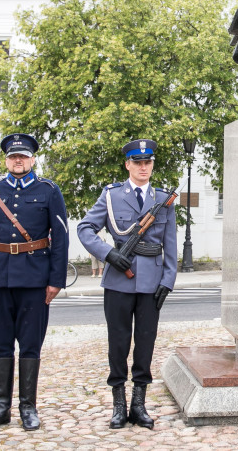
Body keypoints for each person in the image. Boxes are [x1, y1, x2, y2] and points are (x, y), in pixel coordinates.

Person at [0, 133, 68, 431]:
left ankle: (28, 407)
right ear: (6, 160)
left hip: (35, 280)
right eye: (13, 157)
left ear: (32, 159)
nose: (18, 160)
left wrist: (56, 280)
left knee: (30, 345)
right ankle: (0, 408)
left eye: (23, 156)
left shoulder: (48, 191)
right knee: (0, 344)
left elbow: (60, 239)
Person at [78, 139, 177, 430]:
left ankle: (139, 404)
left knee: (145, 343)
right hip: (119, 282)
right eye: (137, 162)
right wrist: (108, 253)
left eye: (148, 162)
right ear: (128, 165)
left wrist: (168, 281)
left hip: (151, 283)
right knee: (118, 343)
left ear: (152, 165)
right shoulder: (111, 195)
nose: (143, 167)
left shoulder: (163, 199)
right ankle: (119, 405)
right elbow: (85, 229)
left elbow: (169, 244)